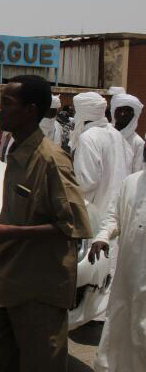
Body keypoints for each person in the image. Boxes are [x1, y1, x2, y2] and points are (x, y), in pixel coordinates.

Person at [0, 75, 92, 372]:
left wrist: (11, 232)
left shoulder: (51, 161)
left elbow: (75, 225)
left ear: (30, 110)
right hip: (3, 278)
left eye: (7, 103)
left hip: (38, 287)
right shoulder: (15, 150)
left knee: (40, 363)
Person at [88, 146, 146, 372]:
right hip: (129, 276)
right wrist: (102, 236)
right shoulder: (131, 182)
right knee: (122, 329)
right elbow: (114, 216)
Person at [70, 92, 129, 217]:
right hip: (118, 209)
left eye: (76, 111)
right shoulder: (115, 132)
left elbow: (86, 182)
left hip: (97, 212)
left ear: (83, 113)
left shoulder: (88, 137)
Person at [110, 93, 144, 174]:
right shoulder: (105, 135)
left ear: (133, 115)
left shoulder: (138, 143)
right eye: (119, 110)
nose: (122, 113)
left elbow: (137, 173)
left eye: (127, 110)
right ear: (113, 112)